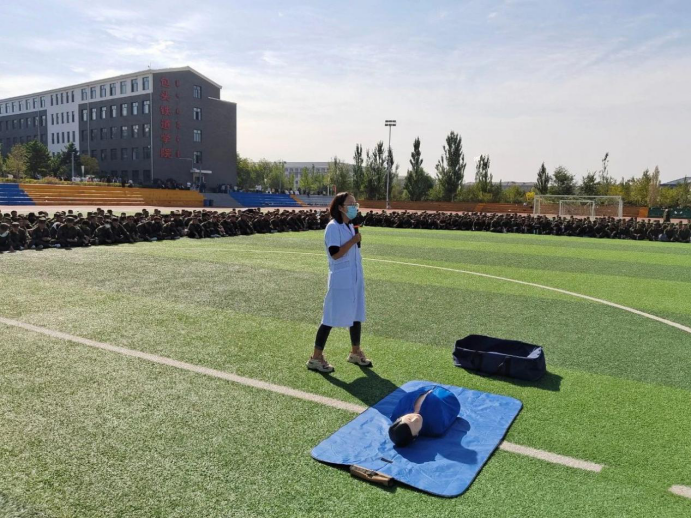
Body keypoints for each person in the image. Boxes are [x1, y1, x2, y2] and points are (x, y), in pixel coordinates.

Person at [307, 192, 370, 373]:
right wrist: (353, 240)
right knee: (330, 317)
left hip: (354, 278)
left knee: (356, 314)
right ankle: (315, 358)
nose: (354, 207)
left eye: (355, 203)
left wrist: (354, 238)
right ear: (341, 207)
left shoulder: (350, 226)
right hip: (340, 279)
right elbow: (335, 253)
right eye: (351, 204)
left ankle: (355, 352)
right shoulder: (333, 227)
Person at [388, 386, 461, 447]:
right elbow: (453, 408)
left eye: (409, 419)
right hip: (445, 395)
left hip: (428, 388)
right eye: (415, 425)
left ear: (400, 417)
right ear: (416, 435)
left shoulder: (399, 410)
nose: (416, 418)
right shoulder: (436, 426)